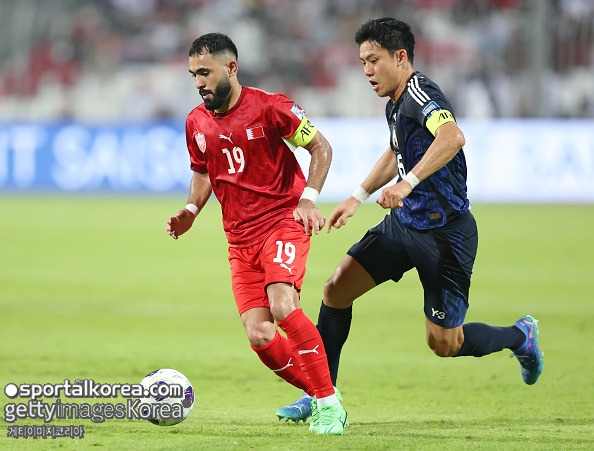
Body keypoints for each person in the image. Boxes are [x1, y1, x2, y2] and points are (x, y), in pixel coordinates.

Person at [279, 17, 544, 420]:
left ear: (400, 57)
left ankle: (519, 337)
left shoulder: (420, 94)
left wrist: (408, 184)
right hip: (404, 225)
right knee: (335, 291)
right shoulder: (395, 103)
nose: (366, 70)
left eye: (373, 60)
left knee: (444, 343)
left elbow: (452, 136)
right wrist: (357, 197)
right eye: (362, 61)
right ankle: (321, 396)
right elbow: (394, 151)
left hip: (445, 236)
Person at [165, 33, 348, 435]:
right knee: (260, 333)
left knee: (282, 306)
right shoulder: (195, 121)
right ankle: (319, 394)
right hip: (239, 239)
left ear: (231, 68)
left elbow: (322, 148)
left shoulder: (271, 107)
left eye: (205, 72)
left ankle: (331, 407)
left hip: (283, 220)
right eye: (194, 74)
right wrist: (192, 209)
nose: (199, 82)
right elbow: (202, 171)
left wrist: (309, 199)